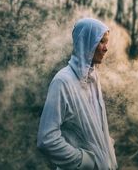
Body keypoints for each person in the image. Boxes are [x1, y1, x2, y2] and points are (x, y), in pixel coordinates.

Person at [37, 18, 118, 170]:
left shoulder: (93, 78)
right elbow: (46, 139)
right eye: (101, 42)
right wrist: (84, 161)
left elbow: (94, 128)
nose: (106, 48)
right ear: (87, 43)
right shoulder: (62, 82)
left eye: (106, 42)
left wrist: (107, 148)